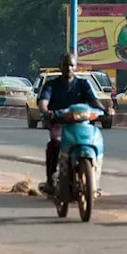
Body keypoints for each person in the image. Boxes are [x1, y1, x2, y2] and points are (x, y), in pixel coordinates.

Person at [36, 52, 103, 196]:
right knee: (54, 144)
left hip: (81, 124)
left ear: (75, 67)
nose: (69, 68)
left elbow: (93, 101)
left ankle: (94, 181)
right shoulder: (51, 85)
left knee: (93, 141)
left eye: (71, 65)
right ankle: (50, 180)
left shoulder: (83, 84)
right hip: (60, 123)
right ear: (60, 67)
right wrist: (46, 111)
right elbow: (43, 101)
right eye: (66, 65)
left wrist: (104, 109)